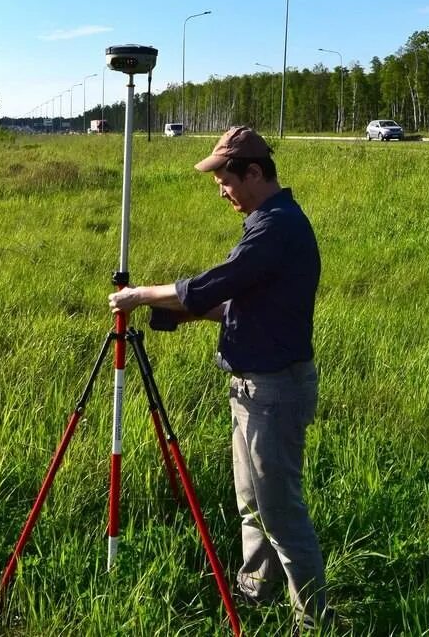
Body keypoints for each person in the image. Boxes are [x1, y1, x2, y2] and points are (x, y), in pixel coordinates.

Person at [108, 125, 331, 630]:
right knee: (251, 503)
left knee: (281, 512)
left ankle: (314, 619)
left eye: (226, 181)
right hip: (253, 386)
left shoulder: (277, 228)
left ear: (254, 173)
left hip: (273, 389)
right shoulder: (266, 223)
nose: (221, 190)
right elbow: (243, 303)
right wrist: (179, 315)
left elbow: (217, 284)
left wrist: (141, 295)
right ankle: (255, 593)